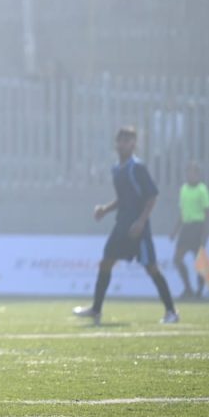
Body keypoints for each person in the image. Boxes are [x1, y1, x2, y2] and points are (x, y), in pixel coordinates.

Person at [74, 126, 179, 326]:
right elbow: (123, 199)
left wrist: (141, 221)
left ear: (134, 144)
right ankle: (96, 310)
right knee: (106, 263)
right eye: (120, 140)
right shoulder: (116, 169)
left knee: (152, 268)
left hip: (138, 229)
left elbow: (152, 196)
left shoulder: (137, 168)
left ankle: (171, 311)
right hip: (121, 225)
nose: (122, 144)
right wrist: (105, 209)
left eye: (127, 141)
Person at [171, 162, 209, 299]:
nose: (190, 175)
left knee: (199, 261)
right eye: (188, 172)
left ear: (198, 175)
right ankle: (188, 288)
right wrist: (175, 230)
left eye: (193, 172)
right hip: (186, 228)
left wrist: (205, 234)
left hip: (197, 227)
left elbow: (207, 213)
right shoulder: (183, 189)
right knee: (177, 259)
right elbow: (182, 211)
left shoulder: (202, 189)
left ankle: (200, 290)